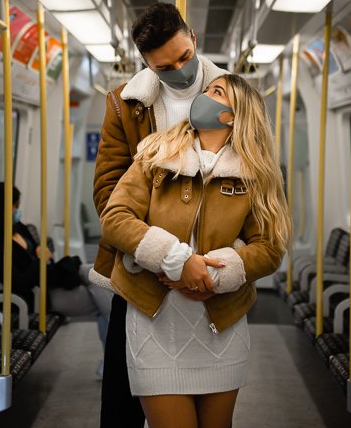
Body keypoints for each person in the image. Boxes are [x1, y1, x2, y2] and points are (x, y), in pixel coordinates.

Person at [100, 74, 291, 428]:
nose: (203, 95)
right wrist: (177, 260)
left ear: (231, 116)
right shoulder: (156, 153)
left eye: (216, 92)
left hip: (221, 323)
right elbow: (115, 217)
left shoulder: (255, 175)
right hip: (154, 321)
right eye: (206, 90)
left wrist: (214, 274)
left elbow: (270, 247)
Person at [92, 2, 227, 427]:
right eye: (164, 68)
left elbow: (256, 191)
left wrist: (212, 264)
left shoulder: (234, 97)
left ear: (195, 39)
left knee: (209, 408)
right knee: (121, 401)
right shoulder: (124, 105)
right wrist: (162, 253)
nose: (179, 70)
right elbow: (108, 193)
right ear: (147, 67)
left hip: (213, 265)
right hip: (139, 269)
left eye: (185, 57)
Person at [0, 182, 112, 350]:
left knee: (99, 275)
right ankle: (111, 360)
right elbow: (19, 282)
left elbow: (34, 252)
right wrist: (39, 260)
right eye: (14, 206)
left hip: (50, 278)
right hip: (36, 293)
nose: (17, 211)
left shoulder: (18, 227)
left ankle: (109, 363)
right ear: (1, 207)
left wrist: (38, 252)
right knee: (104, 301)